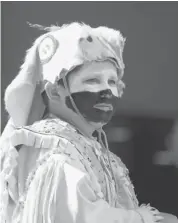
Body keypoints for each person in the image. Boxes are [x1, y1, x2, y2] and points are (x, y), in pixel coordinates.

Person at [0, 22, 177, 223]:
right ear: (55, 91)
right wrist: (142, 219)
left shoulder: (84, 144)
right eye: (92, 81)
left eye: (112, 82)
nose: (107, 91)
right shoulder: (54, 150)